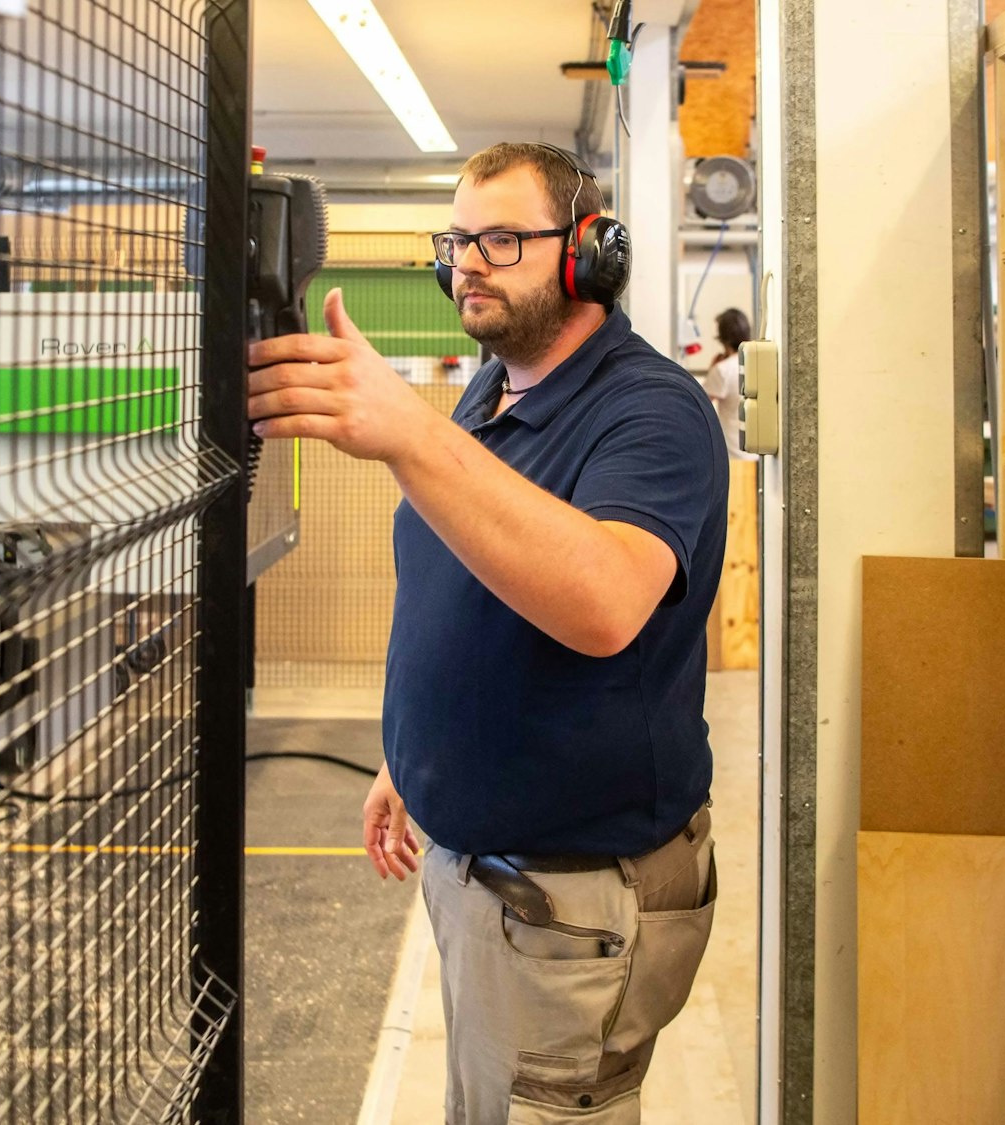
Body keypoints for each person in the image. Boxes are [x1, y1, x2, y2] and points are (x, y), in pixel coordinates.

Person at [247, 141, 727, 1124]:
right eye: (457, 240)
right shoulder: (494, 385)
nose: (466, 262)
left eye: (501, 239)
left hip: (573, 900)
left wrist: (407, 431)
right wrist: (408, 755)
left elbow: (599, 604)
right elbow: (463, 579)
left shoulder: (650, 411)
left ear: (588, 253)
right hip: (489, 875)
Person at [701, 307, 758, 459]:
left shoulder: (722, 370)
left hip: (733, 454)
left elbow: (700, 403)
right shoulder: (756, 363)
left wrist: (711, 370)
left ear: (722, 337)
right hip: (757, 453)